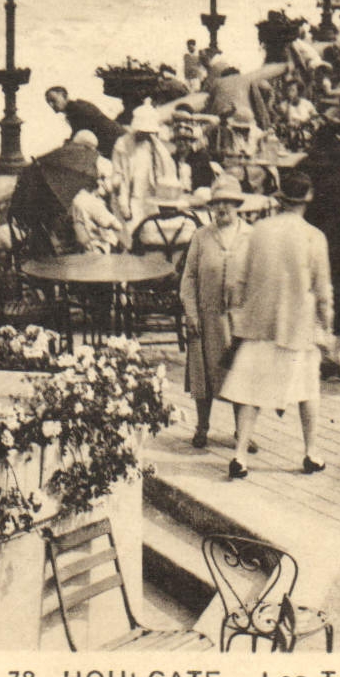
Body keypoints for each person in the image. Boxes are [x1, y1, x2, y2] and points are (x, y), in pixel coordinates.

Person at [220, 170, 333, 479]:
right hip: (297, 326)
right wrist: (327, 326)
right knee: (307, 390)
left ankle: (239, 455)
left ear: (281, 198)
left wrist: (238, 315)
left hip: (258, 324)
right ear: (307, 199)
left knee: (250, 393)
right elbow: (322, 290)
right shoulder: (314, 236)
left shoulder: (258, 231)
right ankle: (311, 453)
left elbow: (238, 279)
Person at [179, 174, 254, 449]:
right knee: (203, 374)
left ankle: (242, 432)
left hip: (238, 319)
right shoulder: (201, 236)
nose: (222, 208)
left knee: (240, 374)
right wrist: (191, 313)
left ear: (238, 205)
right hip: (206, 316)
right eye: (217, 203)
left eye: (228, 203)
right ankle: (202, 427)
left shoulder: (250, 236)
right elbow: (188, 277)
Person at [300, 121, 340, 383]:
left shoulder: (304, 165)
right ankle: (333, 354)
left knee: (310, 297)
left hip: (309, 242)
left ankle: (320, 353)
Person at [112, 103, 179, 240]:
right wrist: (124, 205)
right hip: (132, 197)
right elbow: (119, 176)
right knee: (132, 233)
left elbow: (166, 169)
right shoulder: (123, 145)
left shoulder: (156, 147)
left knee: (152, 233)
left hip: (151, 197)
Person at [45, 86, 124, 157]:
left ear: (64, 96)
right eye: (48, 102)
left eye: (53, 100)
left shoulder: (77, 110)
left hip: (117, 142)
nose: (51, 105)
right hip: (115, 143)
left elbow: (80, 133)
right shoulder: (76, 108)